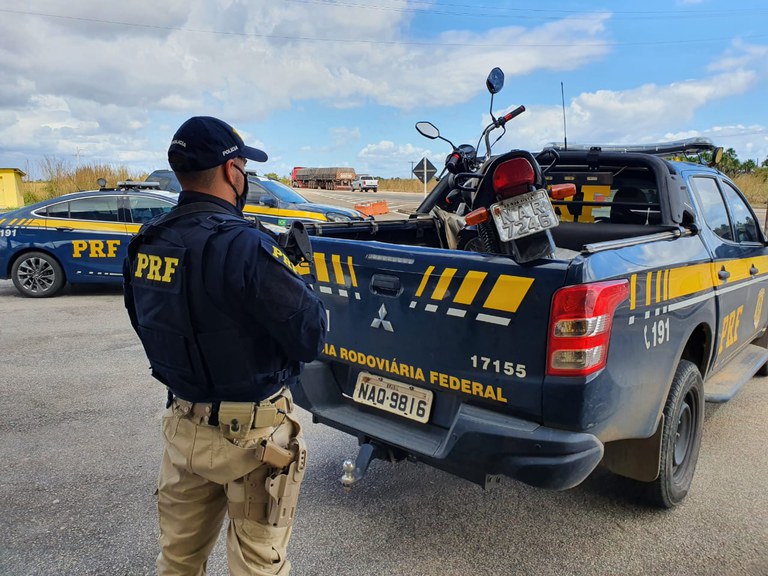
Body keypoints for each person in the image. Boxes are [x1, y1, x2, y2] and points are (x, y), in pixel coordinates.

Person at [123, 116, 327, 575]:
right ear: (232, 171)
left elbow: (144, 324)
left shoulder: (149, 241)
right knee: (258, 566)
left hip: (183, 429)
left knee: (177, 561)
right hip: (253, 440)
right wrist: (300, 278)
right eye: (244, 169)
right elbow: (310, 337)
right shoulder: (245, 247)